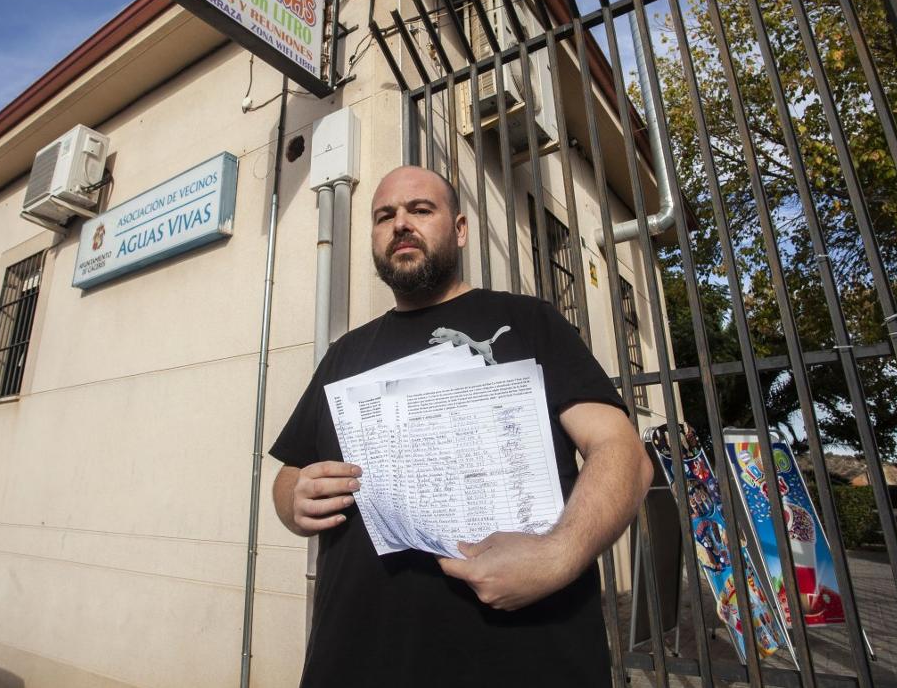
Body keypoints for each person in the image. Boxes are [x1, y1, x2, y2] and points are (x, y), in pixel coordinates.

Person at [270, 165, 653, 687]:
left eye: (420, 210)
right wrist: (295, 498)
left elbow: (623, 452)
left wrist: (559, 555)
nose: (400, 223)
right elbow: (290, 475)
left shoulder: (532, 323)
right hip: (357, 659)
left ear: (460, 229)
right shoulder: (344, 355)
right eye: (385, 216)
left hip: (525, 659)